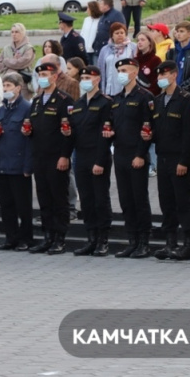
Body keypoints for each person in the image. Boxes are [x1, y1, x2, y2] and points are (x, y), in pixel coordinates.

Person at [149, 61, 190, 260]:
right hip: (163, 157)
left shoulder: (186, 99)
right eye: (159, 75)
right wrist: (150, 136)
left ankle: (188, 244)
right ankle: (170, 242)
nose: (161, 78)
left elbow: (189, 134)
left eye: (164, 74)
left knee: (183, 201)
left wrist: (185, 161)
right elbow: (158, 129)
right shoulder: (158, 100)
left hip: (179, 158)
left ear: (174, 75)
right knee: (166, 201)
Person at [25, 60, 75, 255]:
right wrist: (27, 131)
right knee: (44, 198)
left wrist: (65, 156)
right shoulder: (37, 101)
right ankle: (47, 236)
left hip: (56, 156)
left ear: (55, 77)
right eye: (40, 75)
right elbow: (34, 126)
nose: (42, 78)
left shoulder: (64, 99)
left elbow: (68, 132)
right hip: (40, 156)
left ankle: (60, 238)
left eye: (45, 75)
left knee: (58, 198)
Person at [110, 58, 155, 258]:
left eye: (125, 70)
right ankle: (132, 240)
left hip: (136, 154)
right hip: (120, 154)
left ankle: (144, 242)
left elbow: (148, 128)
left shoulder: (145, 97)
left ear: (135, 72)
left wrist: (140, 154)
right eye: (119, 70)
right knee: (126, 200)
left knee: (139, 199)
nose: (121, 73)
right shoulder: (117, 98)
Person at [66, 66, 114, 257]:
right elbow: (74, 132)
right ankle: (91, 238)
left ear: (97, 79)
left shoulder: (105, 102)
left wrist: (100, 161)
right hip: (81, 156)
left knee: (100, 199)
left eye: (88, 77)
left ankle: (103, 240)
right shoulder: (78, 104)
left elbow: (105, 134)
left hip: (98, 155)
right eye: (83, 77)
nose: (85, 80)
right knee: (86, 200)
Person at [0, 74, 34, 251]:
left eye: (8, 85)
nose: (5, 89)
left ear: (18, 88)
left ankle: (26, 238)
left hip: (18, 164)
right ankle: (11, 237)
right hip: (3, 164)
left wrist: (28, 166)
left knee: (23, 205)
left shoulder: (26, 108)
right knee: (6, 205)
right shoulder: (1, 110)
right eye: (4, 86)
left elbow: (30, 140)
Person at [165, 21, 190, 99]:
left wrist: (181, 89)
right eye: (177, 31)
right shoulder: (171, 52)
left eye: (182, 31)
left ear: (189, 33)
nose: (178, 34)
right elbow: (167, 72)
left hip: (188, 94)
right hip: (171, 91)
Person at [97, 23, 138, 96]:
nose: (120, 35)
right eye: (117, 33)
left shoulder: (133, 47)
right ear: (112, 36)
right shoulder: (105, 49)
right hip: (110, 87)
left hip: (127, 85)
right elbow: (100, 67)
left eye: (122, 33)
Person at [134, 30, 162, 96]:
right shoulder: (134, 60)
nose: (139, 42)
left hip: (149, 96)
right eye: (138, 40)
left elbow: (157, 82)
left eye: (142, 40)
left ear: (150, 42)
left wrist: (147, 95)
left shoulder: (156, 60)